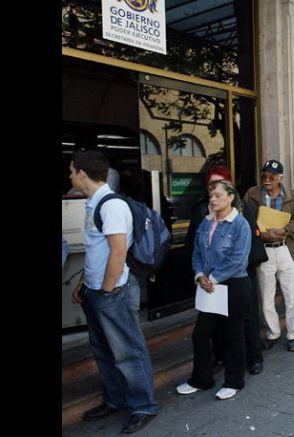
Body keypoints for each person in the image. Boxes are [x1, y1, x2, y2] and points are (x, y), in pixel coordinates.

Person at [68, 150, 159, 433]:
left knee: (127, 350)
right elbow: (97, 251)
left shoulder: (111, 206)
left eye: (71, 171)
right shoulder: (93, 203)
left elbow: (118, 252)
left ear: (82, 174)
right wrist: (85, 283)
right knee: (105, 350)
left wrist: (106, 290)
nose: (69, 175)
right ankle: (116, 399)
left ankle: (143, 404)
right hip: (96, 291)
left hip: (113, 291)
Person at [176, 180, 252, 400]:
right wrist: (200, 275)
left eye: (218, 195)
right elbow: (197, 253)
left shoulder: (240, 224)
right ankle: (201, 379)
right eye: (211, 195)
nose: (213, 199)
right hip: (209, 286)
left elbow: (238, 259)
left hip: (234, 285)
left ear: (230, 197)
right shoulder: (206, 223)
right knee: (200, 334)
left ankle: (234, 381)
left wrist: (213, 278)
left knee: (233, 334)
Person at [244, 160, 294, 352]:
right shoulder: (252, 194)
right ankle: (273, 332)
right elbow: (244, 221)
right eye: (264, 176)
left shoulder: (292, 196)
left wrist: (285, 230)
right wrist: (261, 234)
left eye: (271, 177)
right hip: (264, 251)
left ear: (280, 178)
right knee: (266, 296)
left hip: (286, 249)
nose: (267, 180)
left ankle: (293, 334)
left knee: (292, 294)